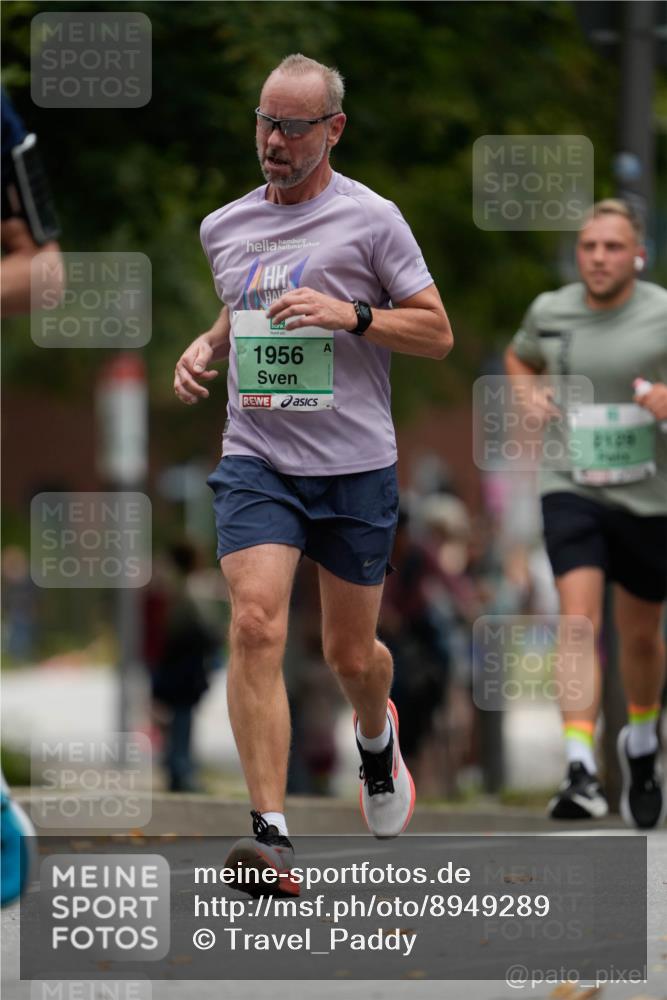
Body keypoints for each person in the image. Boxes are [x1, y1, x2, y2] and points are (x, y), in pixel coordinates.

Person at [174, 53, 453, 892]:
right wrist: (207, 344)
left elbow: (435, 332)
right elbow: (241, 296)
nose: (274, 140)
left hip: (354, 467)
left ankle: (377, 738)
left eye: (294, 126)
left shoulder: (373, 220)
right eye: (265, 122)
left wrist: (352, 314)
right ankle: (270, 837)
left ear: (332, 129)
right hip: (258, 457)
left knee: (349, 652)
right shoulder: (224, 226)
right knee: (255, 624)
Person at [505, 199, 667, 829]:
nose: (599, 258)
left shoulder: (661, 311)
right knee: (576, 621)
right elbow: (521, 356)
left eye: (613, 247)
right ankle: (580, 767)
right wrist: (527, 391)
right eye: (589, 247)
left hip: (650, 495)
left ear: (638, 254)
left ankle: (643, 745)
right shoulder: (550, 311)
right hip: (571, 483)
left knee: (641, 637)